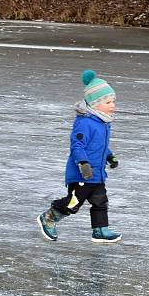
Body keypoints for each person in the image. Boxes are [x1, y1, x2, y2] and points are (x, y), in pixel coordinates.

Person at [37, 70, 122, 243]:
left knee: (100, 202)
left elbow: (99, 148)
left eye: (113, 101)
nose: (112, 105)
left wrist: (110, 156)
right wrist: (83, 163)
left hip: (97, 174)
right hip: (82, 174)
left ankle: (100, 230)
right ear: (95, 103)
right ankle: (49, 218)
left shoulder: (103, 123)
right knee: (73, 203)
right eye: (108, 102)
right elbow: (78, 146)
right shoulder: (85, 123)